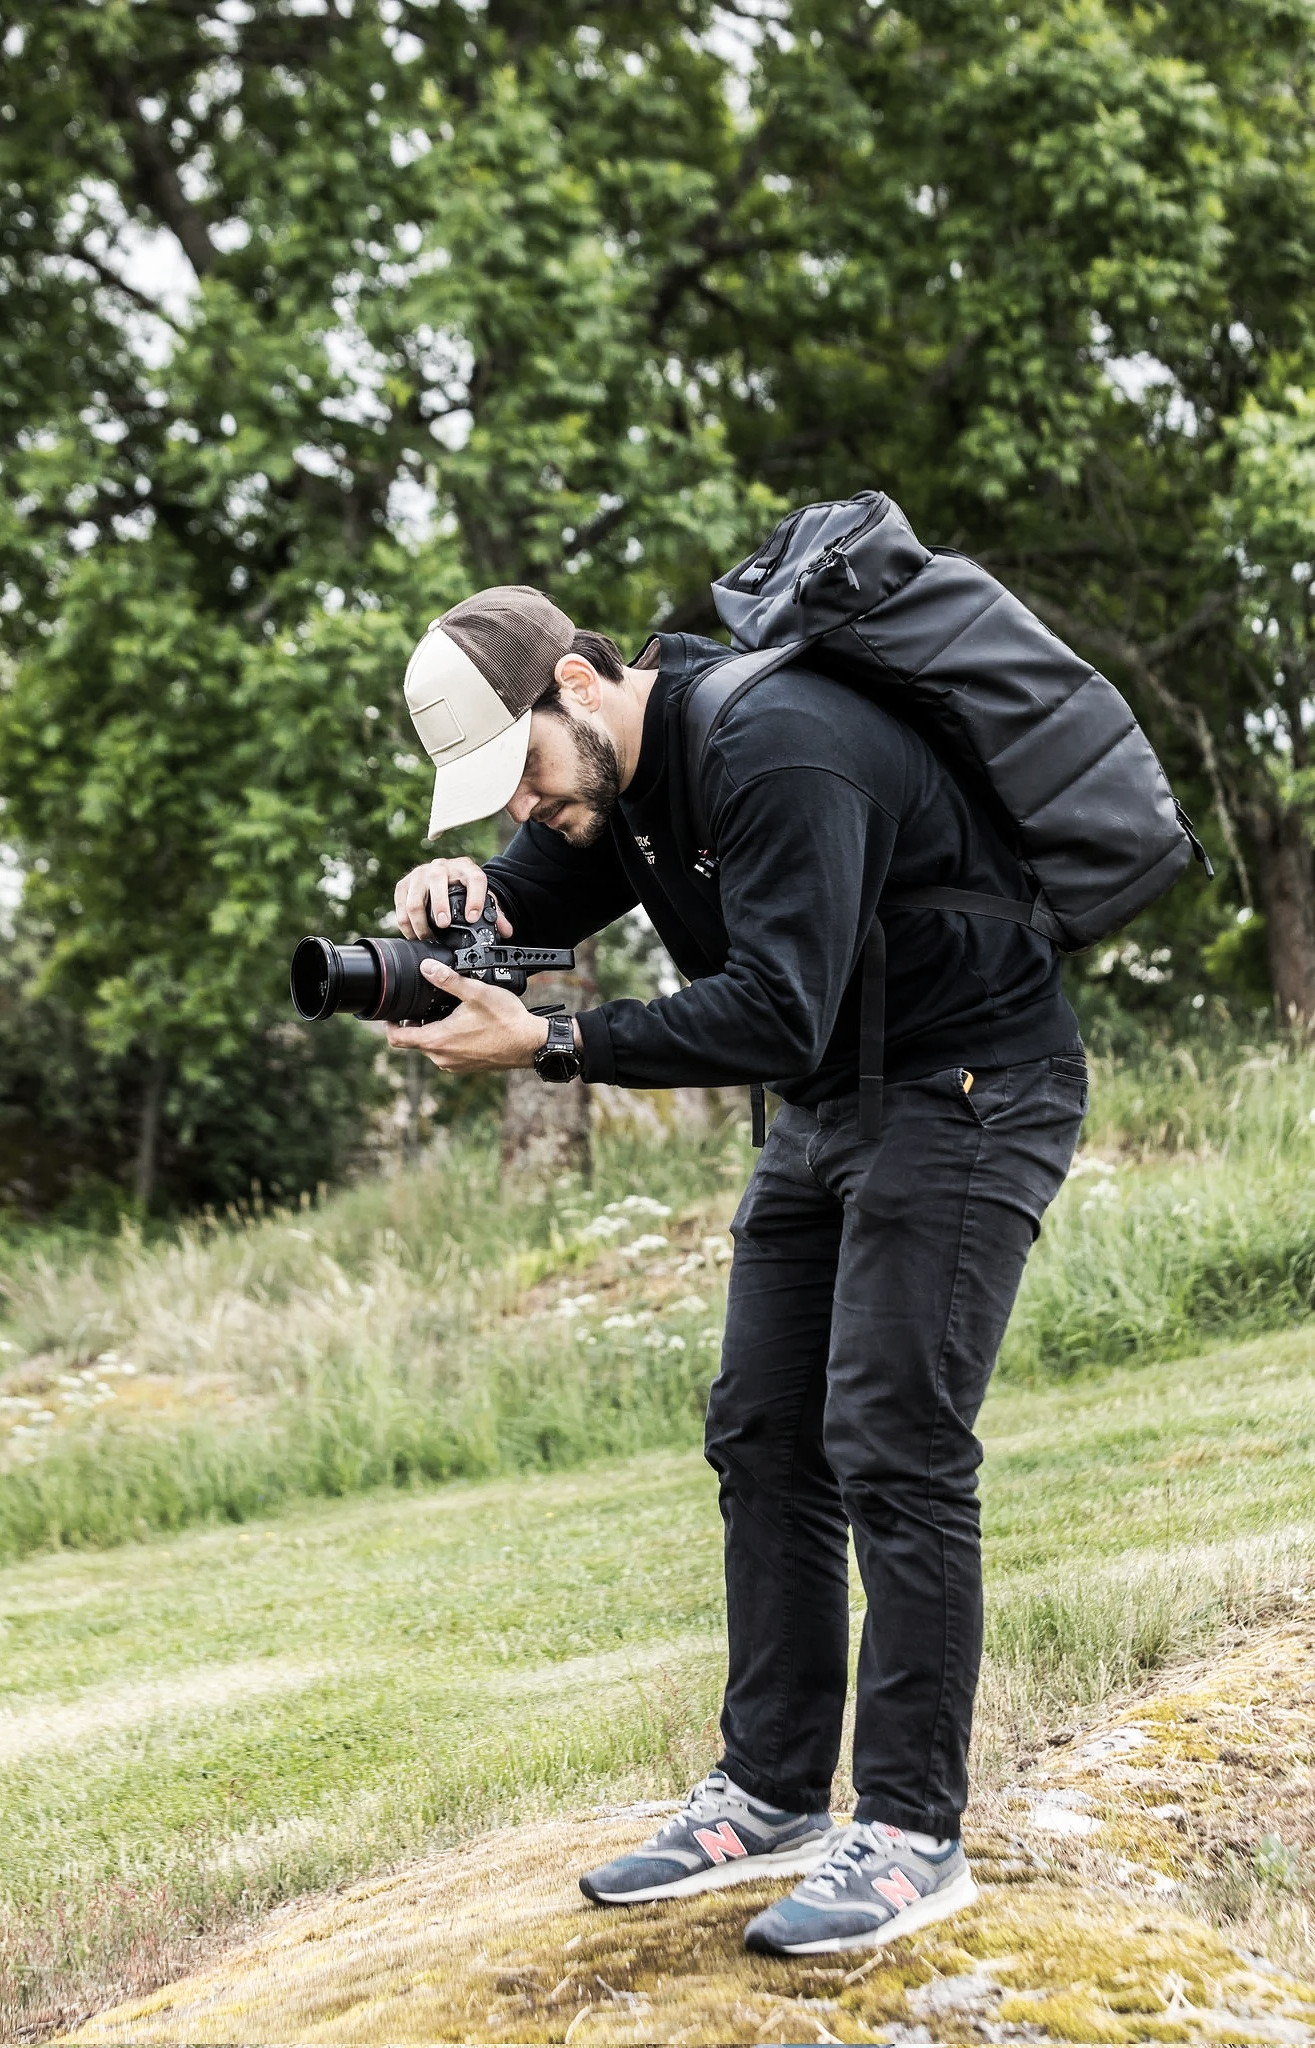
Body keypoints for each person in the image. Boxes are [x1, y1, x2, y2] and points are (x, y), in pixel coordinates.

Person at [391, 583, 1087, 1955]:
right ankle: (771, 1795)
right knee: (764, 1435)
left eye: (520, 771)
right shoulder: (622, 791)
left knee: (893, 1435)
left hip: (971, 1084)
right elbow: (532, 905)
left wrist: (554, 1048)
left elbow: (777, 1005)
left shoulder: (778, 745)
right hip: (840, 1105)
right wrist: (445, 909)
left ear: (582, 685)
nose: (523, 808)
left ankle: (909, 1831)